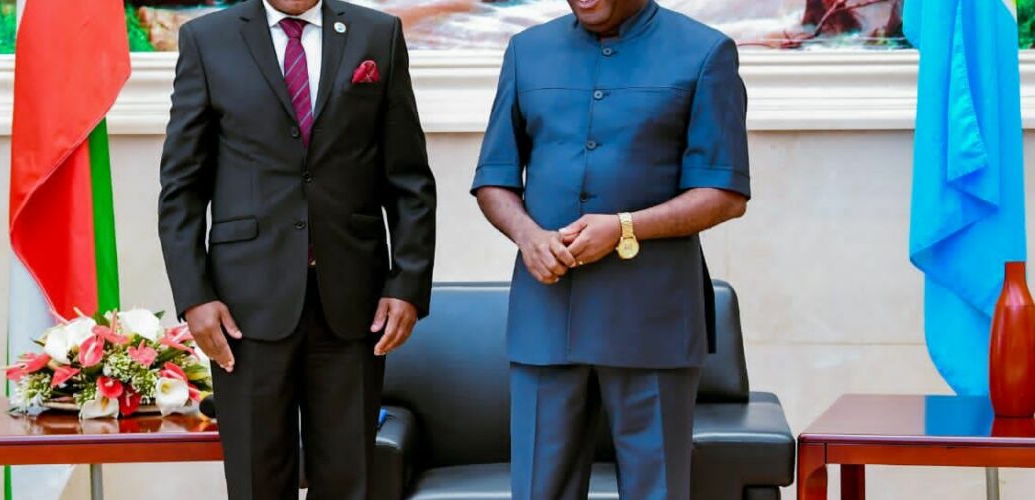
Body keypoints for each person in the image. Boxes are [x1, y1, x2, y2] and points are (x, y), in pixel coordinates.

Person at [157, 0, 437, 497]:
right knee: (257, 481)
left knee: (350, 480)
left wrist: (408, 284)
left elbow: (410, 180)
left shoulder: (377, 35)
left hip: (354, 303)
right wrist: (194, 295)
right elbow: (182, 188)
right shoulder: (208, 40)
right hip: (244, 307)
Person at [471, 0, 750, 498]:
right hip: (546, 315)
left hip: (653, 319)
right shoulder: (526, 52)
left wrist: (625, 227)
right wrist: (528, 236)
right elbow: (494, 179)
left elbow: (725, 193)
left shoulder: (705, 52)